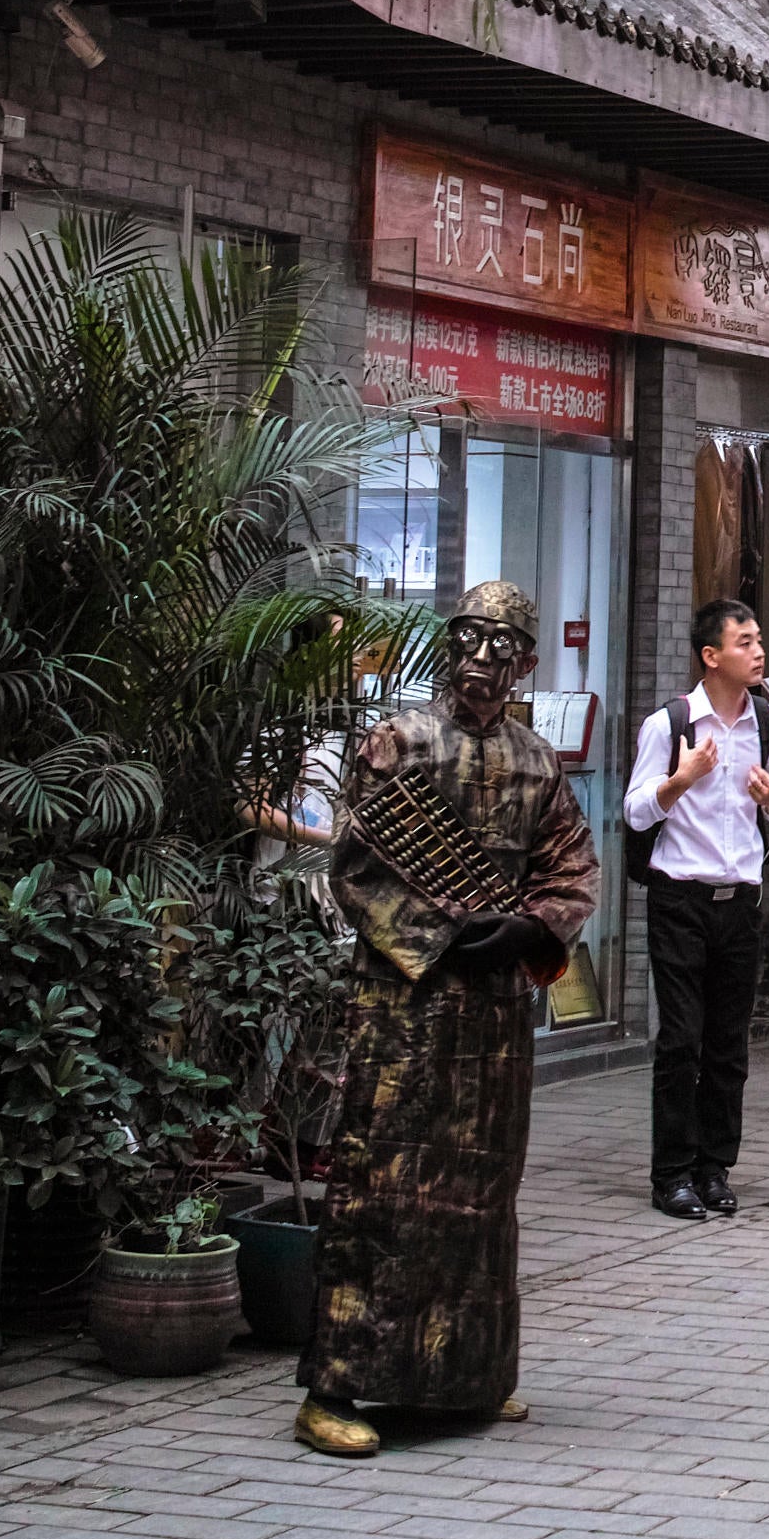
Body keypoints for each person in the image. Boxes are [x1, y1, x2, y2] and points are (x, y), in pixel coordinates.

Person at [301, 579, 602, 1451]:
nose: (481, 660)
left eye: (501, 645)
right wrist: (437, 935)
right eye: (468, 638)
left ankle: (468, 1370)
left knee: (481, 1188)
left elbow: (570, 868)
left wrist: (528, 926)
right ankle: (340, 1386)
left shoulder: (539, 761)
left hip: (493, 1011)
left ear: (528, 662)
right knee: (383, 1180)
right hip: (406, 1004)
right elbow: (356, 863)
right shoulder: (398, 742)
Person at [626, 599, 769, 1220]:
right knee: (681, 1041)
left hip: (740, 901)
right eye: (745, 642)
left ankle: (715, 1168)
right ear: (711, 655)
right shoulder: (669, 724)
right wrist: (681, 778)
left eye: (758, 641)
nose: (758, 652)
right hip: (681, 899)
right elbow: (635, 810)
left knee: (728, 1043)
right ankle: (671, 1174)